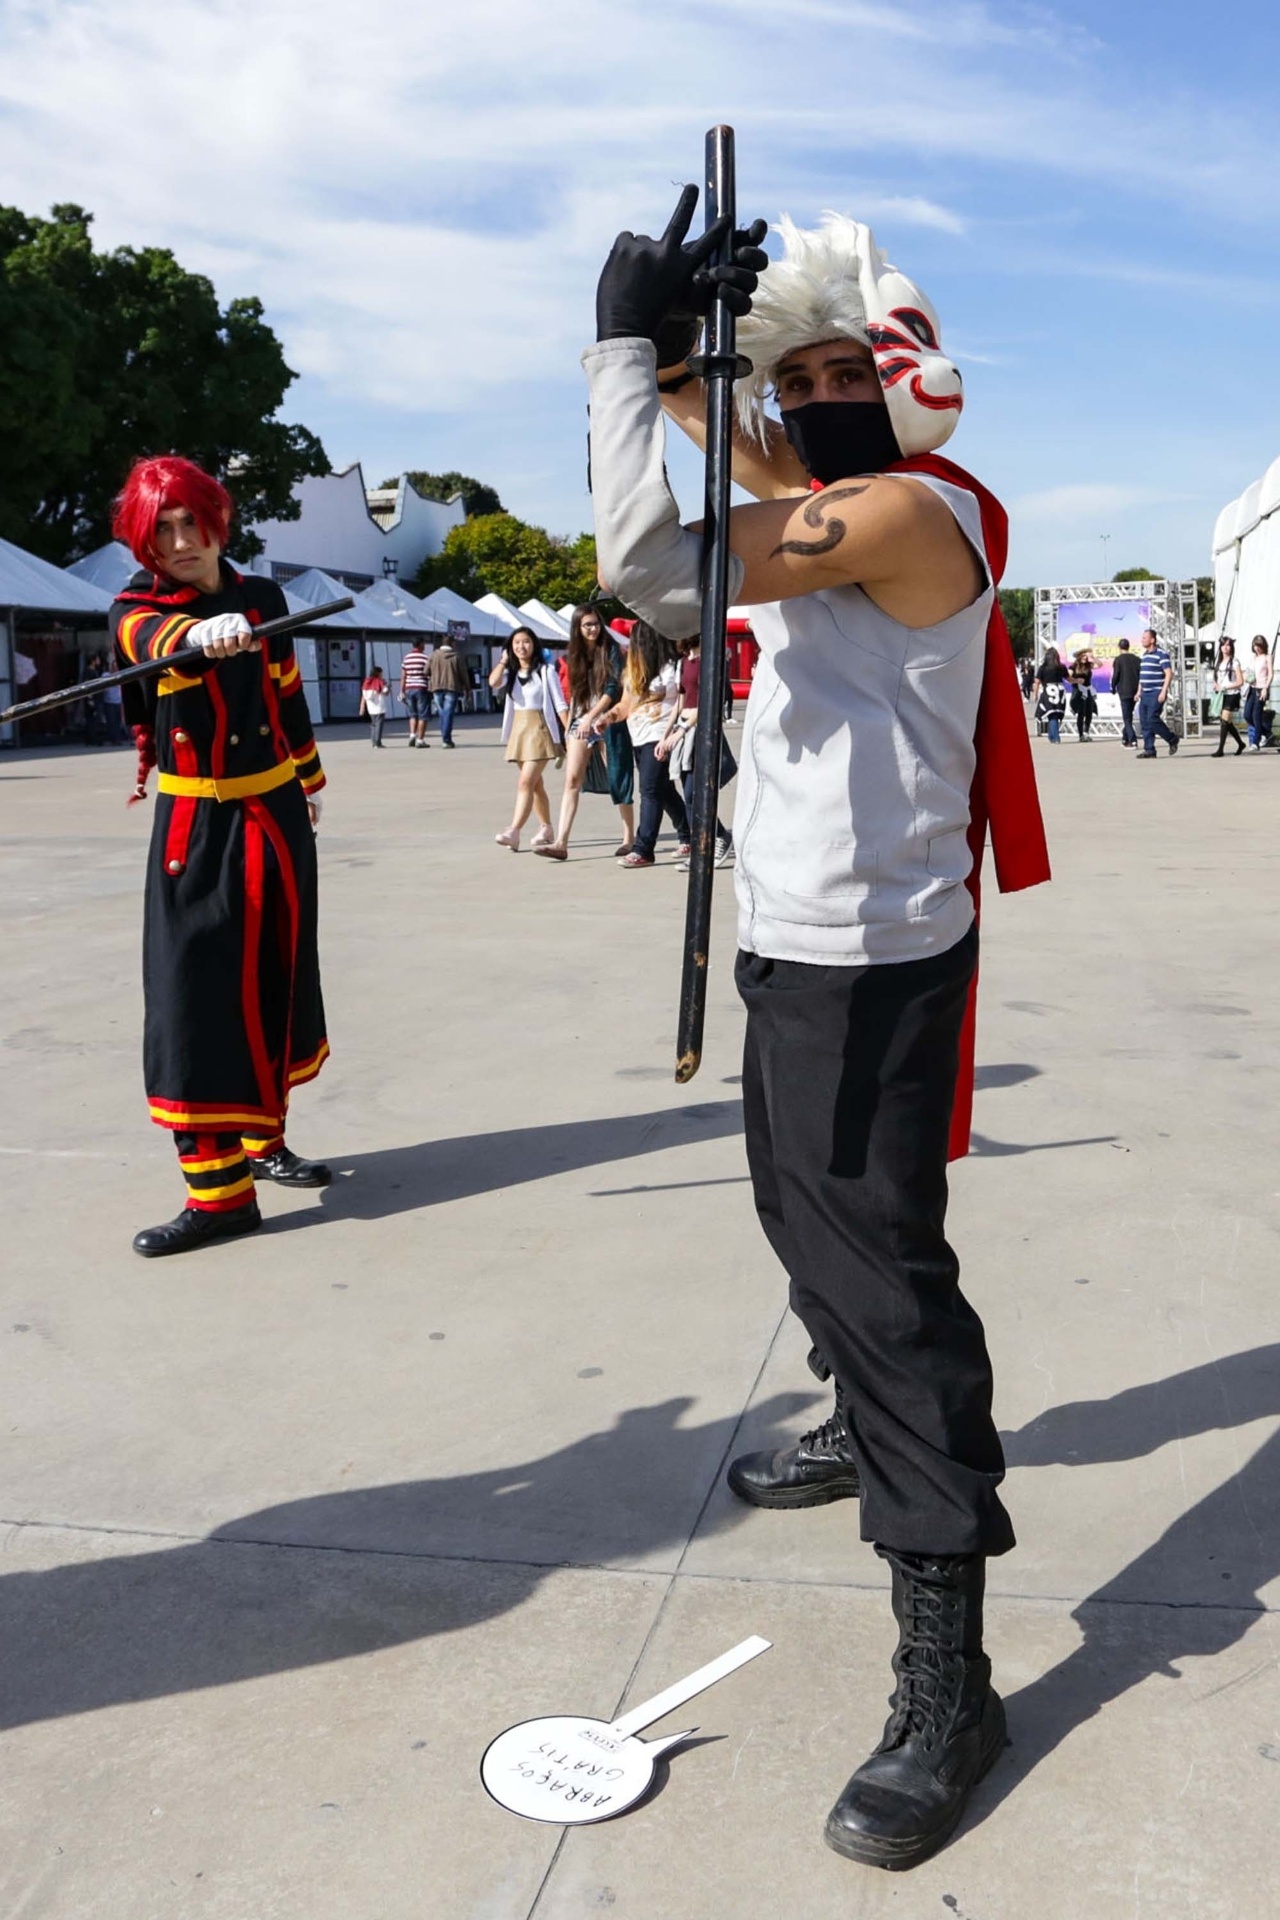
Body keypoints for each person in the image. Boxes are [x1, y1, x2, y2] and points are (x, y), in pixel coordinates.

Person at [585, 191, 1049, 1869]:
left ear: (911, 375)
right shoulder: (824, 488)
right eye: (807, 375)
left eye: (854, 368)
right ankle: (857, 1412)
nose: (824, 397)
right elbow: (744, 450)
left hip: (872, 961)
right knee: (802, 1222)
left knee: (889, 1287)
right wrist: (699, 354)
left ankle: (951, 1681)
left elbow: (650, 568)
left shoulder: (912, 509)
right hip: (790, 938)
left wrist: (615, 354)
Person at [108, 455, 331, 1258]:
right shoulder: (134, 607)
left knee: (273, 981)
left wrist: (309, 779)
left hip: (275, 814)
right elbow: (152, 640)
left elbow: (287, 694)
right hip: (195, 830)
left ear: (217, 521)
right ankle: (220, 1197)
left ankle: (264, 1142)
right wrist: (198, 634)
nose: (179, 543)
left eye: (190, 523)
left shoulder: (263, 599)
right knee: (192, 1000)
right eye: (161, 530)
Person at [534, 604, 635, 860]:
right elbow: (575, 694)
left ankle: (629, 838)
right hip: (581, 721)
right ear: (577, 628)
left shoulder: (611, 650)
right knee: (571, 781)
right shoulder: (574, 654)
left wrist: (593, 717)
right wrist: (569, 727)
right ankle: (561, 842)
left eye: (596, 623)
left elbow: (612, 688)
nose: (593, 629)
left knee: (618, 778)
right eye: (587, 625)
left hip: (608, 721)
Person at [598, 619, 690, 869]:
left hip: (660, 735)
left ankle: (643, 849)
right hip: (638, 735)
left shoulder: (671, 667)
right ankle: (688, 833)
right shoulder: (633, 669)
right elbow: (625, 705)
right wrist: (608, 717)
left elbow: (682, 700)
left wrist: (675, 733)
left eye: (635, 640)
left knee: (649, 790)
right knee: (663, 790)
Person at [487, 625, 567, 849]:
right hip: (519, 731)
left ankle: (514, 831)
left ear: (534, 645)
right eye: (516, 643)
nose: (521, 646)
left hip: (540, 729)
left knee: (525, 782)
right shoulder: (510, 673)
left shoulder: (546, 671)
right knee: (535, 784)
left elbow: (560, 704)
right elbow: (493, 682)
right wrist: (504, 661)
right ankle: (546, 828)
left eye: (526, 642)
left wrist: (569, 733)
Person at [669, 634, 733, 868]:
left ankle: (718, 837)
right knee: (689, 796)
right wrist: (667, 733)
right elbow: (680, 701)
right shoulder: (683, 662)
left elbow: (708, 699)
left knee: (694, 794)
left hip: (700, 730)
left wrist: (682, 730)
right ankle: (701, 848)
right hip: (683, 729)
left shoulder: (711, 659)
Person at [1136, 628, 1178, 758]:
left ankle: (1172, 739)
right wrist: (1139, 691)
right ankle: (1149, 750)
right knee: (1145, 722)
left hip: (1156, 692)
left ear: (1152, 640)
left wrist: (1163, 691)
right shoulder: (1144, 655)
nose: (1142, 640)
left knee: (1152, 719)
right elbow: (1143, 675)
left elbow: (1168, 673)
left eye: (1145, 638)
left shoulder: (1161, 654)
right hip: (1145, 693)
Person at [428, 634, 471, 747]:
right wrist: (468, 688)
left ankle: (445, 736)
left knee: (442, 713)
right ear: (452, 643)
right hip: (452, 687)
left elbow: (426, 671)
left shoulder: (433, 655)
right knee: (448, 713)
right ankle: (446, 739)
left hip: (436, 687)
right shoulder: (457, 656)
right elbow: (464, 674)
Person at [1211, 638, 1245, 756]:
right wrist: (1216, 684)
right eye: (1223, 645)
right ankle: (1241, 743)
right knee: (1226, 721)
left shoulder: (1234, 661)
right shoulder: (1219, 662)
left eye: (1228, 645)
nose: (1225, 647)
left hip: (1232, 693)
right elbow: (1217, 678)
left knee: (1225, 720)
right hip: (1221, 695)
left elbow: (1240, 681)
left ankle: (1220, 749)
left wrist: (1225, 687)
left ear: (1231, 647)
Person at [1032, 645, 1067, 744]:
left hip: (1048, 692)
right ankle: (1052, 736)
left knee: (1051, 714)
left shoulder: (1043, 668)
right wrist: (1077, 680)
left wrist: (1035, 694)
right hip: (1059, 691)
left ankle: (1055, 737)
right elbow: (1069, 678)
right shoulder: (1061, 667)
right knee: (1054, 714)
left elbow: (1037, 682)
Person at [399, 640, 431, 747]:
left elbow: (403, 676)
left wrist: (402, 690)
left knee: (412, 714)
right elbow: (428, 673)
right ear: (420, 644)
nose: (425, 645)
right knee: (423, 715)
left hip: (409, 688)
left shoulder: (407, 658)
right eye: (424, 643)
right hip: (421, 688)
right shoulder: (425, 658)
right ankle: (420, 740)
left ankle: (412, 734)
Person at [1110, 636, 1141, 746]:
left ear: (1119, 647)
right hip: (1135, 690)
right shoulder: (1137, 659)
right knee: (1129, 715)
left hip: (1124, 690)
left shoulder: (1118, 660)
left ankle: (1132, 739)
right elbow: (1140, 675)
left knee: (1127, 717)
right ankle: (1125, 738)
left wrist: (1113, 687)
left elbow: (1116, 675)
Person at [1245, 636, 1273, 750]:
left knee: (1256, 715)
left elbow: (1270, 674)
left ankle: (1255, 742)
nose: (1257, 648)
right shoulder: (1253, 657)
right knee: (1247, 715)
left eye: (1259, 646)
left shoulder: (1267, 657)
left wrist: (1266, 688)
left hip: (1262, 688)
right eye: (1255, 645)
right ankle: (1266, 733)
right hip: (1252, 687)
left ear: (1263, 646)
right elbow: (1249, 671)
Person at [1068, 648, 1096, 741]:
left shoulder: (1088, 665)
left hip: (1088, 690)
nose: (1085, 658)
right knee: (1081, 713)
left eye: (1086, 656)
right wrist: (1076, 680)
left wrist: (1093, 657)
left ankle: (1086, 733)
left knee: (1089, 712)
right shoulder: (1073, 667)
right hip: (1079, 691)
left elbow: (1100, 665)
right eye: (1083, 656)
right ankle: (1081, 735)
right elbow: (1068, 678)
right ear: (1079, 657)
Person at [360, 662, 390, 747]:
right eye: (381, 673)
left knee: (373, 725)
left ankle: (373, 741)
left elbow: (364, 695)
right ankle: (378, 742)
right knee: (379, 725)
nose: (382, 675)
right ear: (378, 673)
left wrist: (362, 707)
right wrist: (388, 687)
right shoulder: (379, 682)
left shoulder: (366, 682)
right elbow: (385, 692)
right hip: (379, 707)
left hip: (371, 707)